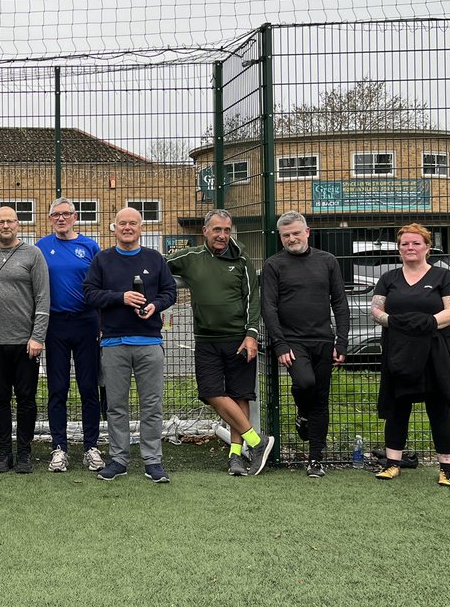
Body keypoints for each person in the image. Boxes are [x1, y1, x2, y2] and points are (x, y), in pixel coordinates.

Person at [166, 208, 275, 477]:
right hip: (206, 340)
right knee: (212, 393)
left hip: (239, 339)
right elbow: (159, 266)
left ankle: (236, 457)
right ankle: (257, 442)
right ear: (205, 231)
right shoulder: (190, 257)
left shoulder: (242, 260)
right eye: (217, 230)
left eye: (227, 230)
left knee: (240, 395)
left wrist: (251, 335)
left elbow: (253, 300)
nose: (222, 236)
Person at [83, 207, 176, 482]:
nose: (127, 227)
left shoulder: (155, 259)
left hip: (149, 342)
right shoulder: (102, 260)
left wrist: (155, 305)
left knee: (151, 404)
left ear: (140, 228)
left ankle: (152, 460)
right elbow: (90, 294)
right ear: (114, 227)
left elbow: (169, 291)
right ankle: (118, 459)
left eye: (132, 223)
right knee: (116, 406)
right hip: (113, 343)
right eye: (122, 223)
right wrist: (119, 298)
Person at [370, 223, 450, 487]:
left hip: (435, 351)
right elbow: (376, 310)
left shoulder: (442, 277)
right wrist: (394, 322)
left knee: (439, 407)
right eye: (405, 244)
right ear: (399, 249)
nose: (410, 247)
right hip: (398, 351)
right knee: (397, 406)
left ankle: (446, 468)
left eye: (416, 243)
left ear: (427, 247)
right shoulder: (389, 278)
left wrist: (427, 323)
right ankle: (392, 464)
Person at [261, 211, 349, 478]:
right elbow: (269, 307)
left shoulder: (327, 261)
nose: (291, 239)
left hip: (324, 339)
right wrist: (280, 344)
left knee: (321, 400)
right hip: (292, 342)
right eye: (286, 235)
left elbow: (340, 303)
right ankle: (301, 411)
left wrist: (342, 341)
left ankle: (315, 460)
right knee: (305, 383)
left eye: (296, 233)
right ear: (280, 236)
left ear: (307, 232)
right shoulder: (274, 265)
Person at [34, 199, 103, 472]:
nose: (61, 219)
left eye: (66, 214)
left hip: (86, 323)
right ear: (50, 219)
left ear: (75, 217)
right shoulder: (41, 247)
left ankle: (91, 447)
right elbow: (15, 252)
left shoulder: (90, 246)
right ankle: (59, 448)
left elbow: (100, 285)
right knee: (58, 388)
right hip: (56, 324)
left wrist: (100, 322)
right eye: (56, 215)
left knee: (88, 388)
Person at [0, 206, 50, 474]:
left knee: (26, 399)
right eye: (0, 222)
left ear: (18, 224)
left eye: (10, 221)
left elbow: (44, 297)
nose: (5, 225)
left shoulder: (33, 254)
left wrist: (37, 336)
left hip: (25, 342)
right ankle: (3, 452)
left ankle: (24, 453)